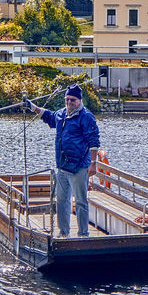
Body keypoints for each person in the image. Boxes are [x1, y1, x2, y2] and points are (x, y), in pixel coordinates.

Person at [23, 84, 100, 237]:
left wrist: (93, 163)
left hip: (79, 167)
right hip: (63, 167)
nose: (69, 102)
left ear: (79, 100)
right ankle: (64, 233)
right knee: (62, 201)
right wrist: (32, 107)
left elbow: (94, 141)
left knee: (80, 202)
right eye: (67, 99)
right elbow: (49, 117)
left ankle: (83, 234)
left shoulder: (86, 116)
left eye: (73, 100)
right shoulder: (62, 114)